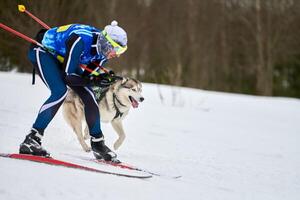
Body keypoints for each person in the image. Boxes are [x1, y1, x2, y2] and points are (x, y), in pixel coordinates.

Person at [19, 20, 127, 162]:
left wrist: (101, 79)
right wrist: (93, 81)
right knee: (60, 91)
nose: (117, 54)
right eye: (116, 49)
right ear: (106, 43)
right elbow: (69, 77)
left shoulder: (103, 53)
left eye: (121, 51)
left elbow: (86, 77)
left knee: (89, 94)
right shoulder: (81, 40)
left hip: (64, 58)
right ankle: (31, 140)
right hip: (44, 51)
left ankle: (98, 144)